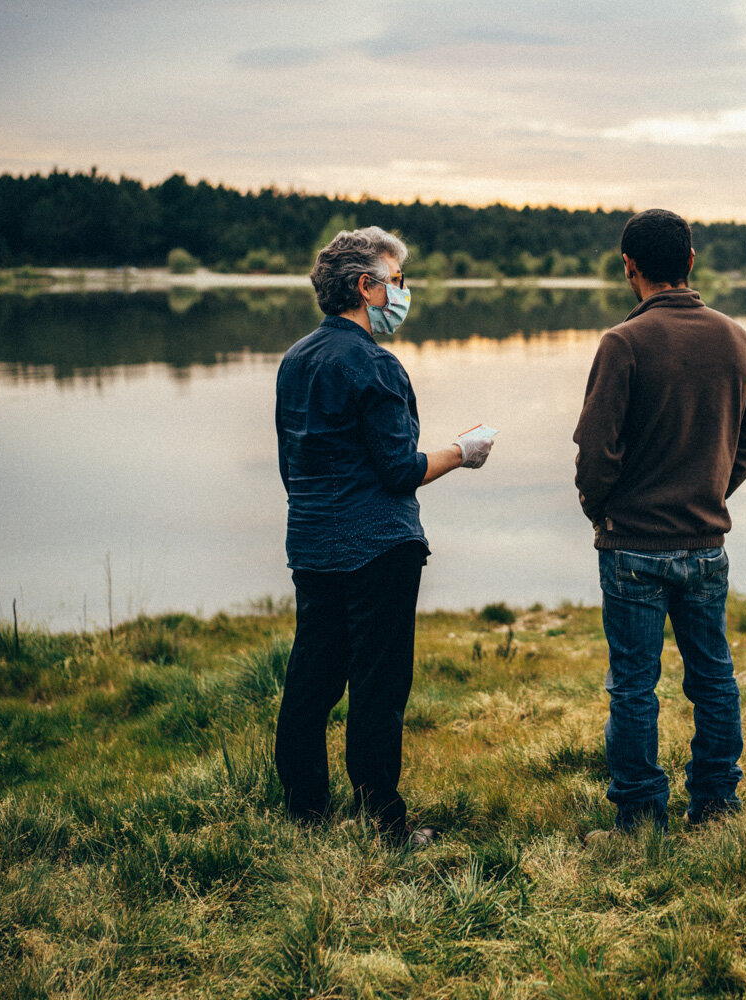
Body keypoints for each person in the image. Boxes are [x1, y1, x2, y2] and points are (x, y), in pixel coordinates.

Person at [274, 225, 492, 846]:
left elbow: (293, 466)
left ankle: (306, 813)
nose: (403, 292)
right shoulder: (374, 364)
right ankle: (383, 825)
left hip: (312, 543)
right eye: (398, 281)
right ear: (366, 287)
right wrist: (461, 451)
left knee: (312, 679)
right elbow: (400, 470)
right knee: (378, 686)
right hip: (378, 548)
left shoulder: (297, 358)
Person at [573, 208, 746, 834]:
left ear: (629, 267)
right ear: (689, 262)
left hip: (633, 546)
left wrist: (603, 511)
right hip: (706, 542)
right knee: (713, 675)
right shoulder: (736, 338)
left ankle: (640, 814)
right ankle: (715, 804)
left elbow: (596, 453)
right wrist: (708, 493)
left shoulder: (622, 343)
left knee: (633, 685)